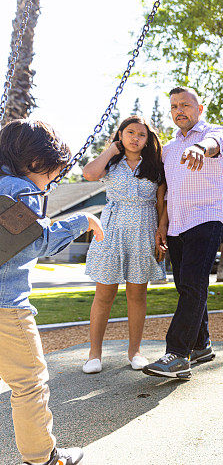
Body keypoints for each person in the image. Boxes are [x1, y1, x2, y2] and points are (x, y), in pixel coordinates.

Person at [0, 119, 104, 465]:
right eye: (50, 175)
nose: (51, 183)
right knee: (29, 383)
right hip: (6, 307)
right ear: (34, 162)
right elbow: (36, 240)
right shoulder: (17, 189)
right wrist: (83, 221)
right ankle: (43, 458)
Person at [143, 86, 223, 380]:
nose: (179, 110)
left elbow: (214, 144)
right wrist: (162, 225)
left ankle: (178, 355)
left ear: (199, 108)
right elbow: (168, 193)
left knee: (193, 284)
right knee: (186, 287)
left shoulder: (215, 132)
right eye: (174, 107)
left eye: (185, 105)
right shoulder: (168, 149)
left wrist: (198, 148)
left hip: (208, 217)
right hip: (177, 223)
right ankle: (201, 344)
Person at [81, 115, 167, 373]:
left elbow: (162, 203)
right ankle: (94, 355)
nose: (135, 138)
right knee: (104, 294)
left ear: (147, 139)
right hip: (111, 231)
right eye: (130, 132)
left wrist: (161, 230)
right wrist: (110, 150)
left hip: (144, 230)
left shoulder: (154, 166)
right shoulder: (112, 162)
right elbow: (89, 173)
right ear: (121, 134)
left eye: (141, 134)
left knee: (137, 294)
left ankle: (135, 352)